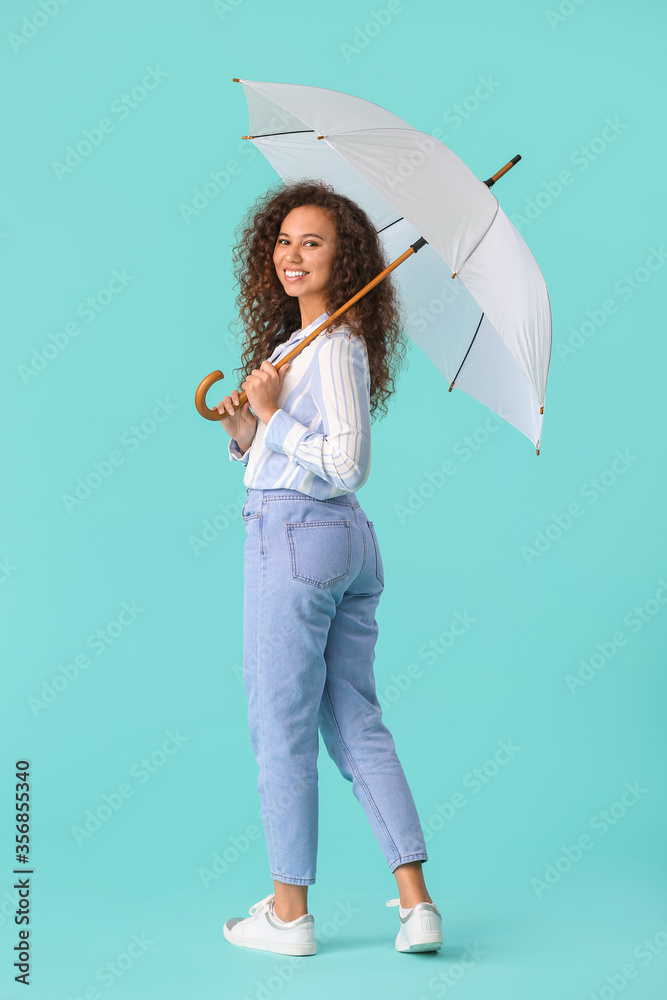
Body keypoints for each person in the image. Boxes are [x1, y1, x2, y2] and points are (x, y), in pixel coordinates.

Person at [217, 179, 442, 956]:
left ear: (344, 258)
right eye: (283, 241)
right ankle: (416, 907)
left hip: (296, 537)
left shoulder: (338, 344)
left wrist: (274, 418)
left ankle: (289, 916)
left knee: (278, 724)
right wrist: (248, 424)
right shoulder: (294, 347)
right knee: (352, 717)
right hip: (339, 544)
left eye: (312, 242)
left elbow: (345, 463)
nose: (291, 254)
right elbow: (273, 454)